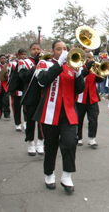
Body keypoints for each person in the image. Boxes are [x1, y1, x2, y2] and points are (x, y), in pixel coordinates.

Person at [33, 40, 85, 193]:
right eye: (58, 49)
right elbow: (43, 81)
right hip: (49, 112)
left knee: (70, 143)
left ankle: (67, 176)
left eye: (65, 49)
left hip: (68, 112)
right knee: (50, 146)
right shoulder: (44, 64)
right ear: (53, 51)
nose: (62, 51)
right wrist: (59, 63)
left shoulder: (72, 67)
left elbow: (80, 89)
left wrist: (78, 73)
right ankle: (49, 173)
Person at [19, 43, 43, 156]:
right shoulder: (23, 62)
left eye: (38, 49)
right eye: (33, 49)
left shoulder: (44, 61)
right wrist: (35, 65)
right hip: (30, 94)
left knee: (42, 120)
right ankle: (30, 142)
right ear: (30, 50)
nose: (36, 51)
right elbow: (24, 77)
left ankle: (40, 142)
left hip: (42, 94)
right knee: (30, 121)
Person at [76, 52, 103, 147]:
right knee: (79, 118)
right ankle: (78, 138)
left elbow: (99, 80)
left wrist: (102, 73)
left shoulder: (94, 68)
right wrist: (87, 68)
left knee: (93, 118)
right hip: (80, 97)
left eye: (90, 57)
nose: (89, 59)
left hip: (92, 97)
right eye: (87, 57)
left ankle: (92, 138)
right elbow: (80, 77)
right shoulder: (78, 67)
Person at [8, 49, 27, 132]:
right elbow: (9, 76)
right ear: (18, 55)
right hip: (16, 90)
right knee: (16, 107)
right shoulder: (12, 64)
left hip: (24, 89)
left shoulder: (27, 63)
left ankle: (26, 122)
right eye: (21, 54)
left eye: (24, 54)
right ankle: (17, 123)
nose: (23, 56)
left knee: (26, 107)